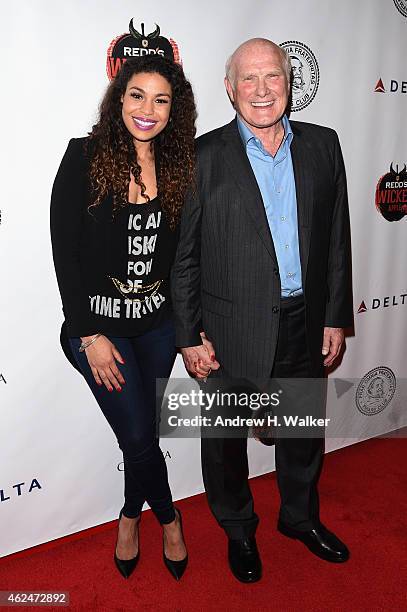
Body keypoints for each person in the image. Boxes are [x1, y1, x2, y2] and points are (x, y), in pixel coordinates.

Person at [171, 38, 353, 583]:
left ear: (289, 82)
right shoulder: (202, 158)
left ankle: (299, 519)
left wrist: (334, 315)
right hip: (228, 331)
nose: (261, 90)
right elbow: (184, 259)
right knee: (225, 446)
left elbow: (337, 239)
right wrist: (188, 335)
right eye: (248, 79)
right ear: (229, 89)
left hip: (304, 321)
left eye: (272, 76)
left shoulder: (324, 146)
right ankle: (239, 530)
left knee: (301, 433)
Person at [50, 55, 202, 580]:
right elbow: (64, 254)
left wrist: (189, 325)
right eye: (137, 95)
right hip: (98, 331)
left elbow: (186, 259)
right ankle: (171, 519)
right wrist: (88, 333)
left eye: (161, 99)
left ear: (173, 109)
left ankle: (128, 515)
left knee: (140, 438)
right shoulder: (83, 158)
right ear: (118, 99)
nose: (148, 109)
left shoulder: (182, 166)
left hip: (157, 329)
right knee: (139, 436)